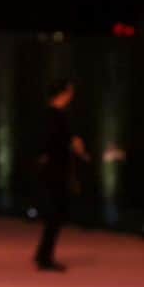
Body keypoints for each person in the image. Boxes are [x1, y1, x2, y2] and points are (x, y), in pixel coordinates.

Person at [33, 78, 88, 272]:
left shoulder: (48, 115)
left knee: (54, 214)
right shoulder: (58, 117)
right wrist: (78, 149)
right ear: (64, 94)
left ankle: (43, 254)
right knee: (56, 214)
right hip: (56, 170)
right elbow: (64, 141)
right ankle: (44, 257)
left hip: (51, 169)